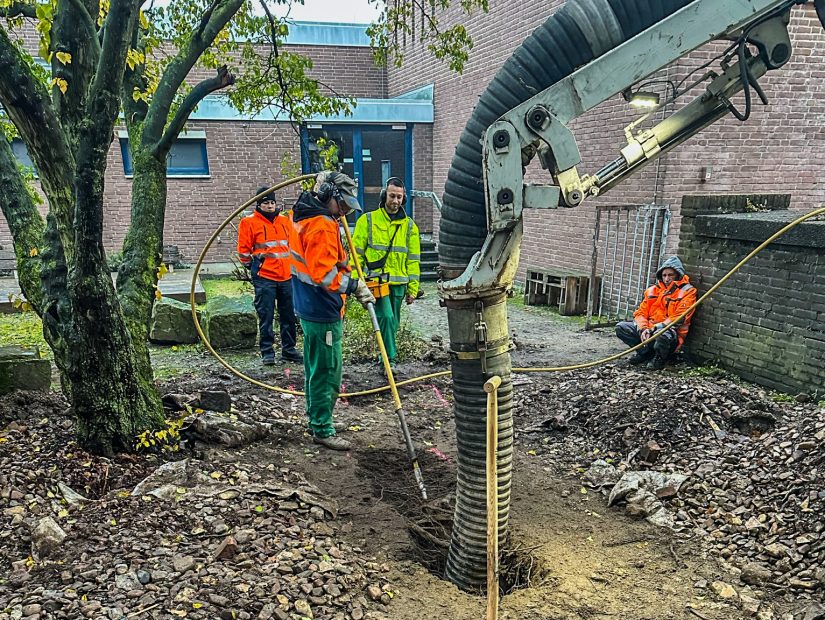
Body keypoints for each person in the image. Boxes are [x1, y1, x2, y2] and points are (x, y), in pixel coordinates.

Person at [290, 171, 376, 451]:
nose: (347, 211)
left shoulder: (306, 217)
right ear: (328, 196)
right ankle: (322, 429)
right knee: (327, 371)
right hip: (321, 308)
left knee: (315, 368)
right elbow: (324, 276)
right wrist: (354, 286)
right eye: (344, 205)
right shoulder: (322, 226)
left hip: (309, 307)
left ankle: (318, 418)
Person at [351, 177, 420, 369]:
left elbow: (413, 259)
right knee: (387, 319)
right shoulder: (368, 220)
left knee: (392, 325)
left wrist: (413, 288)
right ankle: (390, 361)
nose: (395, 201)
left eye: (399, 197)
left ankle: (385, 359)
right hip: (377, 284)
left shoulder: (410, 226)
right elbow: (356, 255)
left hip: (399, 284)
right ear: (384, 196)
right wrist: (356, 281)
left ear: (403, 198)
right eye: (392, 196)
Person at [237, 187, 303, 365]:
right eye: (266, 203)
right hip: (265, 277)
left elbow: (293, 244)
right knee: (265, 315)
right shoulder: (249, 222)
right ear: (259, 204)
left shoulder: (284, 220)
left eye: (272, 202)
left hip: (286, 275)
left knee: (288, 315)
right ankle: (267, 352)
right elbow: (243, 251)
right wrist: (254, 266)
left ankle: (289, 350)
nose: (270, 206)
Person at [616, 256, 697, 370]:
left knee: (662, 334)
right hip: (649, 330)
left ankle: (659, 359)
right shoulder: (652, 290)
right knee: (622, 328)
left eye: (670, 275)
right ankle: (645, 354)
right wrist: (643, 329)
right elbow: (640, 313)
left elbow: (680, 317)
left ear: (678, 275)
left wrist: (654, 328)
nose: (667, 278)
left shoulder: (688, 291)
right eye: (664, 275)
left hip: (670, 333)